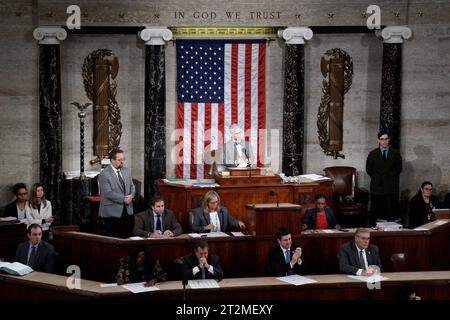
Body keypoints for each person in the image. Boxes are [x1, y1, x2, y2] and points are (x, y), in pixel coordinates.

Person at [366, 130, 403, 225]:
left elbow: (399, 169)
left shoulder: (395, 154)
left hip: (391, 188)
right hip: (376, 188)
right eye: (382, 139)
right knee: (375, 214)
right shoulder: (373, 154)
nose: (384, 141)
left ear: (389, 139)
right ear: (378, 140)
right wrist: (377, 178)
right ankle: (372, 233)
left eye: (386, 139)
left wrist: (389, 179)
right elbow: (368, 169)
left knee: (390, 214)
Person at [99, 149, 135, 238]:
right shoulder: (104, 174)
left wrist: (131, 195)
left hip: (128, 210)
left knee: (127, 237)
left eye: (123, 159)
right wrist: (123, 199)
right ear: (112, 160)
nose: (122, 162)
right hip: (112, 212)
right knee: (115, 239)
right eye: (120, 160)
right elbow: (107, 192)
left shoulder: (126, 171)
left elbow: (132, 186)